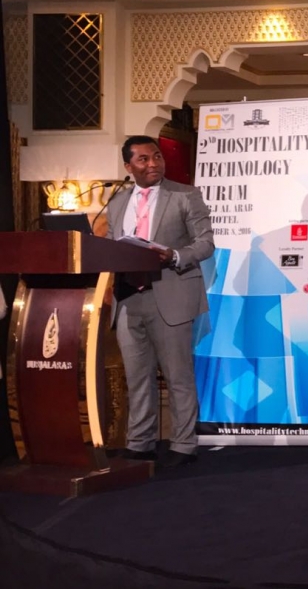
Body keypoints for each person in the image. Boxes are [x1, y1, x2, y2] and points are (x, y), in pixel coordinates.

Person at [107, 135, 215, 468]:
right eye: (143, 159)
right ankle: (140, 443)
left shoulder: (185, 195)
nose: (153, 163)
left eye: (157, 157)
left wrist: (175, 255)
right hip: (128, 299)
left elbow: (205, 244)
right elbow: (111, 245)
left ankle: (183, 444)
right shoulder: (117, 202)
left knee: (177, 375)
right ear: (128, 166)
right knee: (137, 377)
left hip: (171, 295)